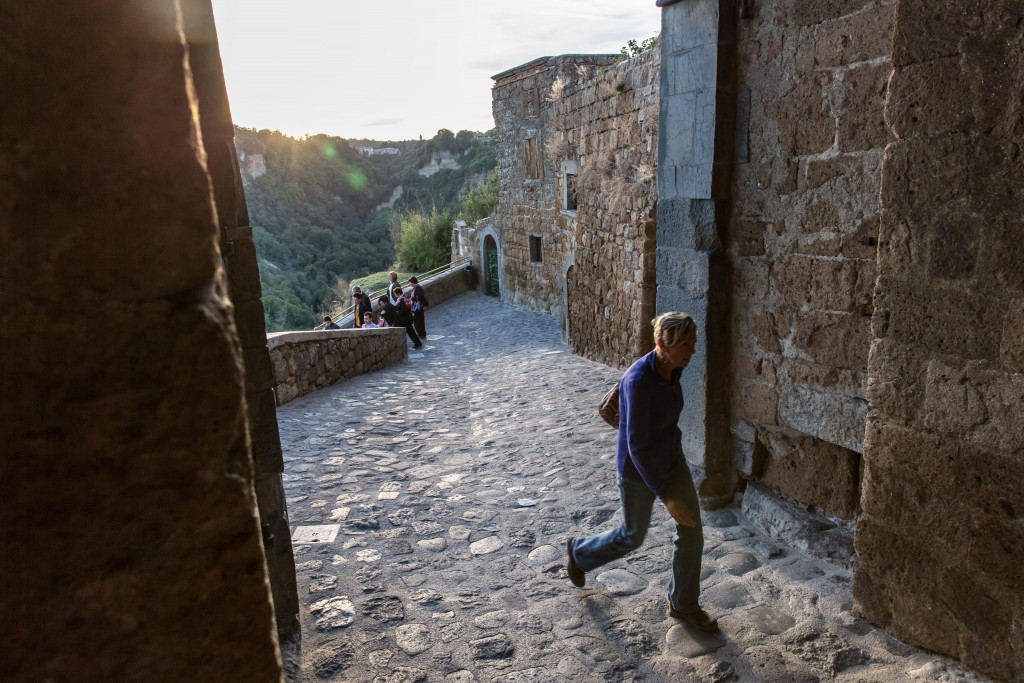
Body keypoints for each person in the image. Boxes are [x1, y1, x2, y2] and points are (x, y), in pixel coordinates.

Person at [566, 312, 718, 632]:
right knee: (632, 537)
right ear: (663, 343)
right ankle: (580, 553)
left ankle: (683, 603)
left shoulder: (672, 369)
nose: (692, 351)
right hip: (636, 470)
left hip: (670, 459)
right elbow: (637, 446)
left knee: (692, 531)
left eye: (693, 343)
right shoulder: (639, 380)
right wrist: (667, 496)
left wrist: (672, 481)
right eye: (686, 345)